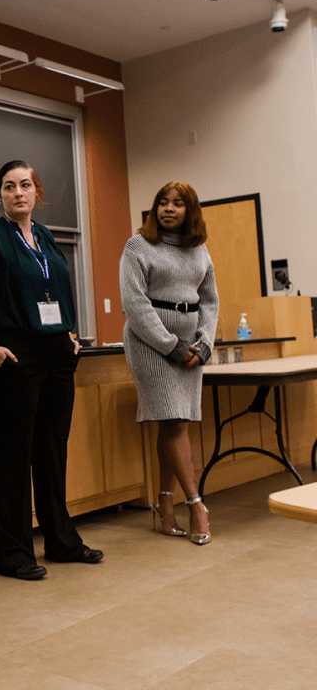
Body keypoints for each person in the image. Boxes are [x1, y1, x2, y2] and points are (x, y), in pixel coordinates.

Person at [0, 160, 102, 580]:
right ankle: (12, 553)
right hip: (13, 352)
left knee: (53, 449)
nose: (18, 192)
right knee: (12, 453)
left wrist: (70, 334)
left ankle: (62, 541)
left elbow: (55, 289)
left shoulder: (46, 238)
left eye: (25, 185)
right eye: (8, 186)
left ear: (37, 192)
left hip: (57, 352)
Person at [119, 181, 218, 546]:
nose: (168, 209)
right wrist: (171, 346)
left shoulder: (199, 250)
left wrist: (204, 344)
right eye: (163, 202)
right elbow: (134, 304)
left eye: (177, 204)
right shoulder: (138, 245)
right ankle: (196, 504)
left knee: (175, 425)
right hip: (150, 344)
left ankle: (164, 505)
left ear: (190, 211)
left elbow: (210, 302)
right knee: (174, 421)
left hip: (192, 347)